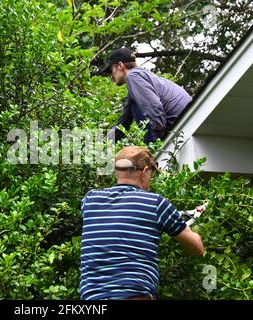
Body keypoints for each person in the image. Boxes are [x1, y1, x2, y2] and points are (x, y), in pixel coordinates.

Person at [80, 146, 204, 300]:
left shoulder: (90, 200)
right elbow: (197, 248)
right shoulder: (156, 203)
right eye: (151, 173)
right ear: (145, 172)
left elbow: (115, 220)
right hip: (134, 294)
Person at [102, 48, 192, 144]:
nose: (111, 75)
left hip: (180, 124)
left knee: (135, 107)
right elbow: (124, 121)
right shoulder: (142, 77)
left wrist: (155, 144)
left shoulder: (132, 76)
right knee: (131, 105)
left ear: (120, 65)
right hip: (187, 118)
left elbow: (154, 107)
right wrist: (103, 146)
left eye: (111, 70)